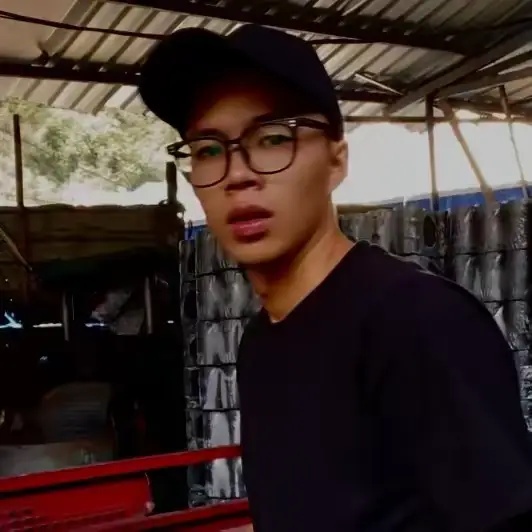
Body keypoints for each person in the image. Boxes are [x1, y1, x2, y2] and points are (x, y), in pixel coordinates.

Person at [139, 24, 532, 532]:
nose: (237, 174)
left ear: (336, 161)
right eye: (209, 149)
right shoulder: (261, 341)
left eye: (273, 138)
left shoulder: (416, 321)